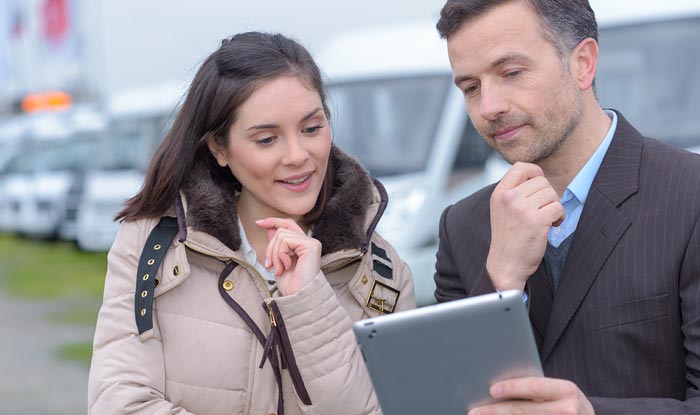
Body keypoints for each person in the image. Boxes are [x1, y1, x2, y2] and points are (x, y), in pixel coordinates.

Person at [87, 31, 415, 415]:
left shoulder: (383, 272)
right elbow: (119, 403)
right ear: (219, 148)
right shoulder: (151, 246)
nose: (297, 156)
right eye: (266, 139)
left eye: (311, 129)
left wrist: (308, 300)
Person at [434, 0, 700, 414]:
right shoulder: (462, 227)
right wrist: (500, 280)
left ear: (583, 63)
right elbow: (451, 400)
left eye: (511, 73)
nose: (488, 107)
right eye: (471, 87)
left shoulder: (690, 194)